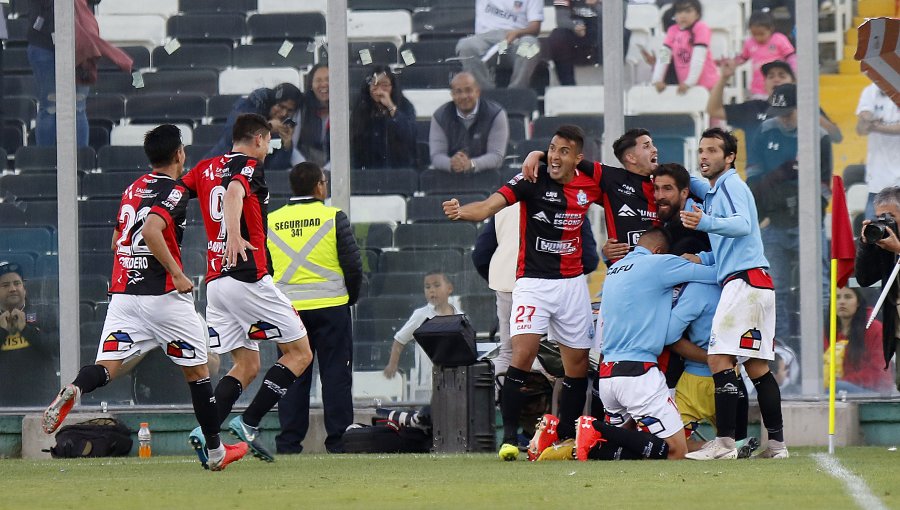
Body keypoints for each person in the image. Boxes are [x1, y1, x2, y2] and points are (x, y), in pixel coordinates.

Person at [40, 125, 248, 471]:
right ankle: (215, 453)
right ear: (179, 154)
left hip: (124, 295)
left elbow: (116, 242)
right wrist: (178, 274)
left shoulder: (133, 188)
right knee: (200, 372)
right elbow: (151, 230)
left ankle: (76, 389)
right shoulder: (176, 191)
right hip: (162, 295)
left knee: (107, 367)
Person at [443, 125, 600, 459]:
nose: (555, 156)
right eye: (551, 148)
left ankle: (564, 439)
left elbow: (613, 184)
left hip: (572, 286)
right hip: (532, 284)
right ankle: (510, 438)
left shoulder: (589, 184)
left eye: (564, 151)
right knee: (521, 356)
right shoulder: (529, 180)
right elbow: (487, 207)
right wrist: (461, 212)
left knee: (576, 366)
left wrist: (540, 154)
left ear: (578, 158)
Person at [181, 113, 315, 463]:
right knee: (300, 354)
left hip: (217, 283)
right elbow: (235, 192)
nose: (269, 149)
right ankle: (250, 423)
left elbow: (178, 193)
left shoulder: (207, 167)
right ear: (257, 139)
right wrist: (236, 233)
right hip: (247, 276)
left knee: (246, 364)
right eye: (268, 142)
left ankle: (206, 431)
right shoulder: (250, 166)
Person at [680, 127, 788, 460]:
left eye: (712, 151)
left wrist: (704, 223)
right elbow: (737, 242)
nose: (704, 156)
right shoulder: (716, 191)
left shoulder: (732, 186)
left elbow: (742, 225)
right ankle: (777, 446)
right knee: (757, 367)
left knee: (718, 357)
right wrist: (703, 257)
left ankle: (725, 445)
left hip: (744, 283)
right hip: (757, 282)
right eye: (701, 150)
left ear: (729, 158)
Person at [571, 228, 718, 462]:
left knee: (624, 450)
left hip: (609, 375)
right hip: (638, 374)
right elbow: (715, 274)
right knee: (676, 451)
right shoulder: (658, 264)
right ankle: (594, 427)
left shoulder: (615, 270)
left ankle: (571, 446)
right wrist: (703, 257)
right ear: (659, 251)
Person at [267, 162, 363, 455]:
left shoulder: (271, 220)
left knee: (292, 376)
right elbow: (353, 266)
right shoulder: (334, 217)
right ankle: (338, 442)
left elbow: (266, 269)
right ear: (319, 186)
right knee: (335, 375)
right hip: (331, 308)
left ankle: (288, 444)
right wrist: (351, 298)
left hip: (288, 311)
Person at [746, 83, 832, 346]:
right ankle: (782, 348)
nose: (783, 117)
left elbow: (825, 186)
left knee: (819, 286)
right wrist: (777, 181)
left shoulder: (817, 136)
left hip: (806, 219)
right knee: (776, 288)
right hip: (773, 220)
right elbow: (754, 178)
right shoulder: (764, 131)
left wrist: (811, 210)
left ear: (799, 108)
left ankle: (822, 343)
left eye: (789, 111)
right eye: (780, 111)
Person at [471, 204, 598, 381]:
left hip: (508, 285)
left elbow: (481, 255)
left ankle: (499, 402)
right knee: (551, 355)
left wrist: (500, 279)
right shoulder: (570, 203)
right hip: (551, 285)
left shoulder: (504, 204)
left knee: (508, 353)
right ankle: (550, 405)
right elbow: (590, 259)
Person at [523, 128, 660, 264]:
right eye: (647, 146)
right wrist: (539, 154)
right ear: (631, 157)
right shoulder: (611, 179)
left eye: (652, 144)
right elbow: (572, 160)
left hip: (661, 266)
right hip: (624, 270)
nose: (655, 149)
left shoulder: (666, 182)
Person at [27, 0, 132, 147]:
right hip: (46, 42)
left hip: (77, 42)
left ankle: (80, 162)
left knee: (77, 107)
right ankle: (47, 162)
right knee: (51, 106)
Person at [707, 60, 843, 152]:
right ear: (765, 84)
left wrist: (809, 114)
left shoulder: (807, 108)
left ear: (793, 82)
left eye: (782, 75)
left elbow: (837, 137)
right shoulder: (752, 108)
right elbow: (714, 110)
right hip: (760, 184)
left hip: (798, 181)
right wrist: (724, 78)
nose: (776, 79)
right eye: (771, 76)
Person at [383, 271, 462, 401]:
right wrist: (392, 365)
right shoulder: (421, 315)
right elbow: (399, 339)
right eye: (427, 287)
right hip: (428, 383)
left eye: (437, 285)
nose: (432, 291)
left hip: (455, 380)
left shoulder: (459, 316)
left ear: (449, 288)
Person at [854, 186, 900, 392]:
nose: (885, 222)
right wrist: (866, 244)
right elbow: (864, 279)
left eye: (890, 216)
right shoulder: (885, 244)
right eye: (880, 217)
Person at [205, 83, 302, 170]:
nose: (284, 113)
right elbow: (232, 135)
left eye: (289, 110)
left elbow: (274, 169)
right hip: (216, 169)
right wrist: (267, 127)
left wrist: (286, 145)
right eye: (280, 106)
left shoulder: (279, 131)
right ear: (272, 102)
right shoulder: (250, 104)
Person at [0, 262, 58, 407]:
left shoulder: (45, 314)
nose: (12, 289)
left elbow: (56, 348)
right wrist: (2, 331)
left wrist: (26, 330)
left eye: (17, 283)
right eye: (5, 285)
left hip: (41, 402)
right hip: (3, 404)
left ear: (24, 289)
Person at [429, 72, 509, 174]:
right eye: (458, 92)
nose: (464, 96)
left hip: (486, 178)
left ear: (477, 92)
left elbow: (497, 156)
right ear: (452, 95)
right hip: (451, 178)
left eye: (468, 90)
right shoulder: (440, 116)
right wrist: (452, 164)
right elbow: (436, 156)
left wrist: (471, 164)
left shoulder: (496, 114)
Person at [455, 0, 543, 90]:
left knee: (531, 45)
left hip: (516, 41)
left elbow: (535, 28)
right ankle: (485, 95)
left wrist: (517, 33)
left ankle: (516, 92)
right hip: (485, 40)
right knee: (465, 46)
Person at [824, 287, 894, 393]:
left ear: (858, 302)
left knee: (835, 387)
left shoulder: (876, 329)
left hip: (873, 392)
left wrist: (844, 381)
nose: (842, 302)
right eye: (837, 297)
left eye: (848, 297)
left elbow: (879, 372)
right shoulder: (827, 331)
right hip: (838, 389)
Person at [349, 65, 417, 170]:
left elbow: (409, 135)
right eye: (375, 84)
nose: (380, 90)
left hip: (399, 168)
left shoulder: (405, 106)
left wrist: (391, 107)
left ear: (393, 87)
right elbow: (355, 141)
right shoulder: (360, 107)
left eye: (384, 85)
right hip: (367, 169)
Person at [651, 0, 719, 94]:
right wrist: (657, 80)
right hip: (687, 87)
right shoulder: (672, 30)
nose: (683, 15)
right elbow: (664, 56)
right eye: (679, 12)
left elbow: (698, 59)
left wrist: (689, 82)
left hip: (708, 87)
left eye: (688, 11)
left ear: (697, 14)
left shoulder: (701, 28)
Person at [856, 82, 900, 220]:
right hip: (877, 184)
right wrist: (867, 119)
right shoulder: (870, 91)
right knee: (873, 238)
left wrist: (874, 126)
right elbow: (861, 129)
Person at [731, 10, 796, 100]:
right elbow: (743, 58)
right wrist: (732, 62)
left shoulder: (779, 39)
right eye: (754, 34)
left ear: (771, 29)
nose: (758, 37)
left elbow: (790, 56)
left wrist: (794, 74)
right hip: (758, 89)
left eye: (761, 34)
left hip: (778, 86)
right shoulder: (749, 43)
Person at [292, 64, 331, 169]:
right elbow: (291, 145)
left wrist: (328, 170)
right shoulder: (302, 110)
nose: (324, 84)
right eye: (318, 80)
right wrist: (307, 169)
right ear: (311, 85)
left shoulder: (345, 111)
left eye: (328, 79)